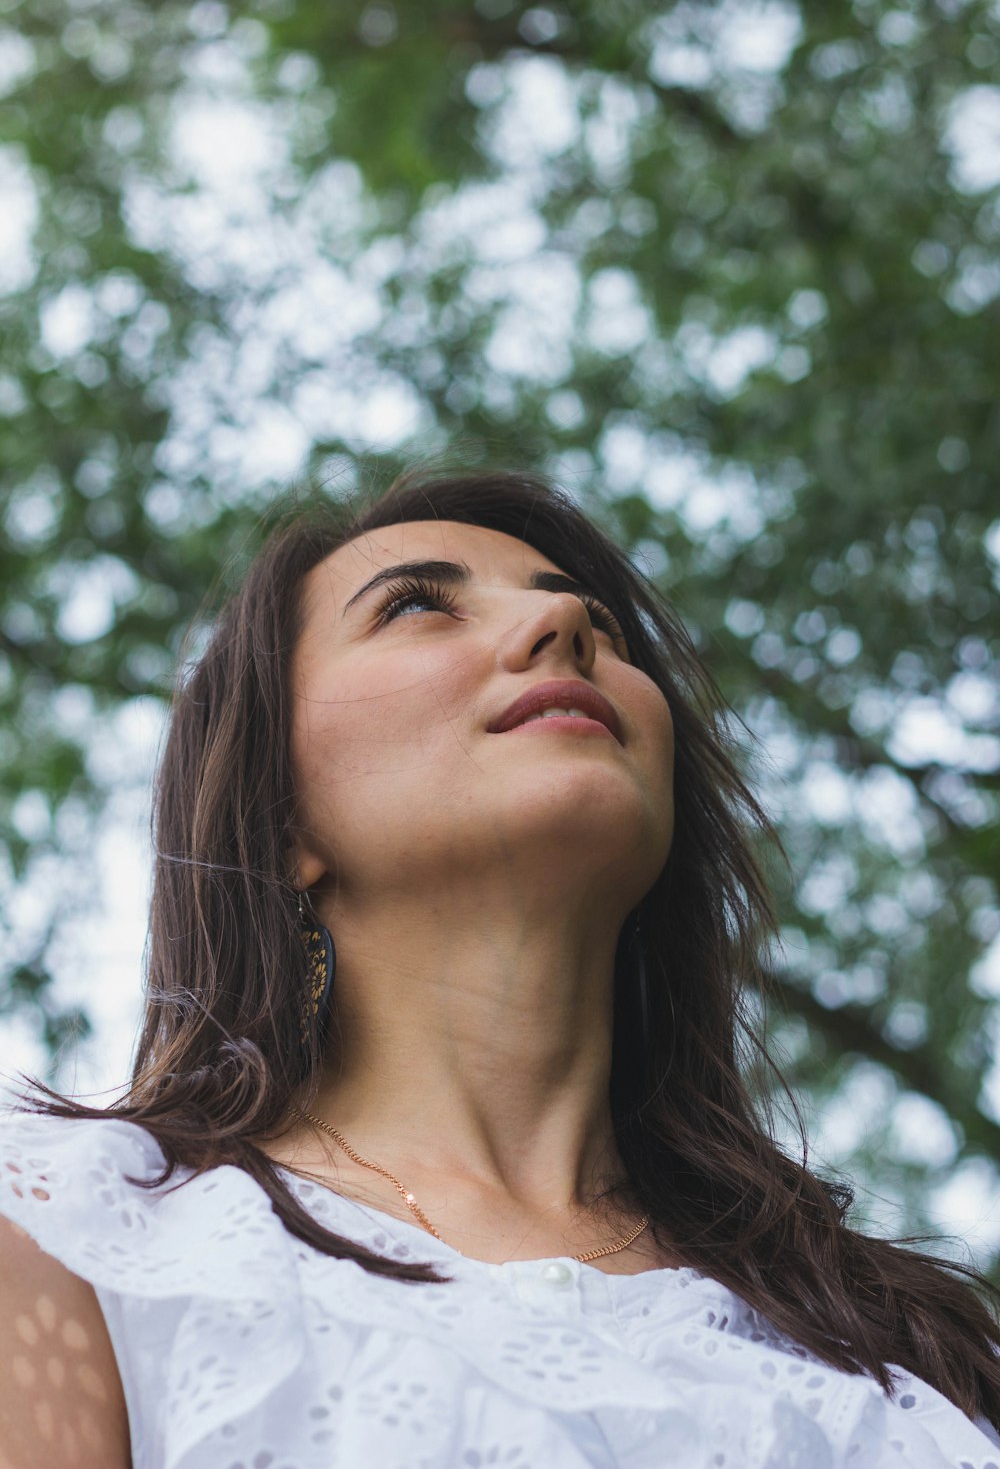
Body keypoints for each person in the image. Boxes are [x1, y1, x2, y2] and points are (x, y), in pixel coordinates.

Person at [1, 466, 998, 1469]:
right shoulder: (81, 1226)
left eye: (600, 623)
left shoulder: (913, 1349)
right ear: (277, 822)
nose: (563, 619)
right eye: (419, 606)